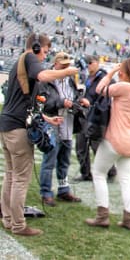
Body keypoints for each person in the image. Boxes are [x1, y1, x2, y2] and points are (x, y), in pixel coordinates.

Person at [0, 33, 78, 236]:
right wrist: (66, 71)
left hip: (7, 125)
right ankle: (18, 225)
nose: (44, 57)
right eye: (44, 52)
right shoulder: (29, 58)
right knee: (20, 178)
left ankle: (8, 220)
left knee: (10, 175)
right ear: (36, 48)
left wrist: (46, 119)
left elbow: (24, 104)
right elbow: (43, 76)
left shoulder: (18, 63)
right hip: (17, 128)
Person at [85, 56, 130, 230]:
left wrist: (112, 72)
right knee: (126, 179)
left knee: (98, 173)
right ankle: (129, 218)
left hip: (115, 139)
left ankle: (102, 215)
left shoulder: (125, 87)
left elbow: (99, 89)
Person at [36, 52, 83, 206]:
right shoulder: (46, 79)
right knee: (49, 161)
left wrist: (79, 102)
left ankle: (63, 190)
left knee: (64, 161)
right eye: (63, 65)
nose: (66, 68)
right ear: (55, 64)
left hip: (68, 124)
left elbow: (75, 97)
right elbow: (42, 103)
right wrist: (61, 102)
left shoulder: (70, 81)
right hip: (52, 124)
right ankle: (46, 192)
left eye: (67, 65)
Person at [75, 55, 116, 182]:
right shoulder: (89, 78)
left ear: (97, 63)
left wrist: (92, 103)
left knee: (96, 146)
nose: (88, 65)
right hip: (85, 115)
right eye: (86, 63)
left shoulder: (104, 78)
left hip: (97, 117)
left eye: (90, 63)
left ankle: (111, 171)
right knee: (81, 145)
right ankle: (85, 173)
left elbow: (107, 97)